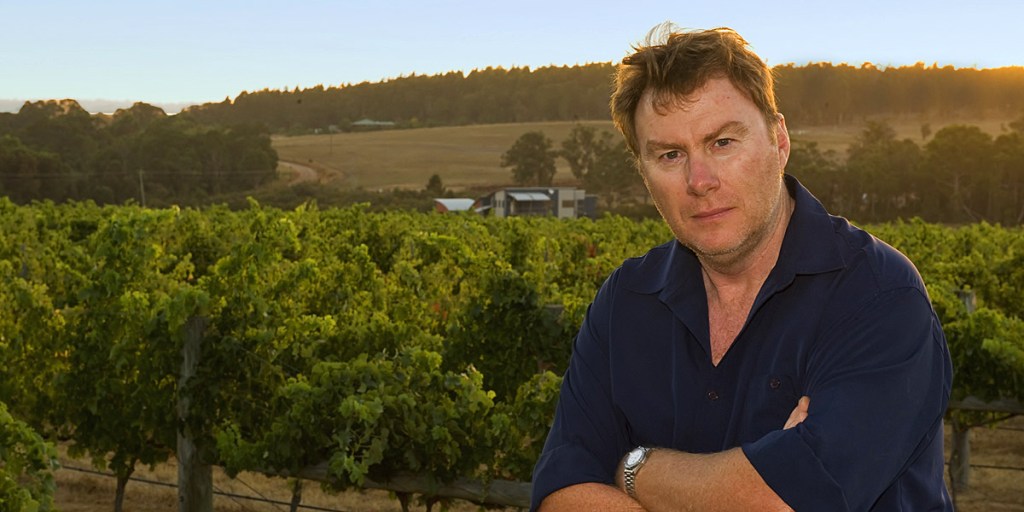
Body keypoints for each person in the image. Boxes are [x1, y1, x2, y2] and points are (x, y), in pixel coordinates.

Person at [530, 23, 953, 511]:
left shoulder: (878, 295)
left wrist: (634, 469)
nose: (699, 180)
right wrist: (757, 479)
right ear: (643, 172)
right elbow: (561, 495)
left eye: (723, 142)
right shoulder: (626, 301)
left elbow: (781, 505)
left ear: (779, 141)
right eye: (670, 154)